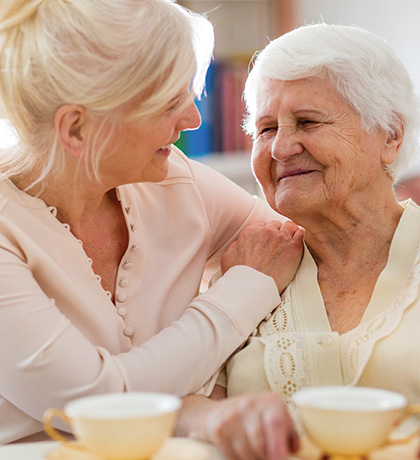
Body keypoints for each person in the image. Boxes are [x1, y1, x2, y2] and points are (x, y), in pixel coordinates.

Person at [0, 0, 304, 444]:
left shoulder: (174, 180)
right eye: (168, 103)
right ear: (77, 129)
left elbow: (300, 242)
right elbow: (101, 404)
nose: (193, 119)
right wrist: (245, 286)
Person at [176, 23, 420, 460]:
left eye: (307, 122)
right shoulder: (242, 267)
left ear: (390, 136)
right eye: (266, 129)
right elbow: (184, 405)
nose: (281, 148)